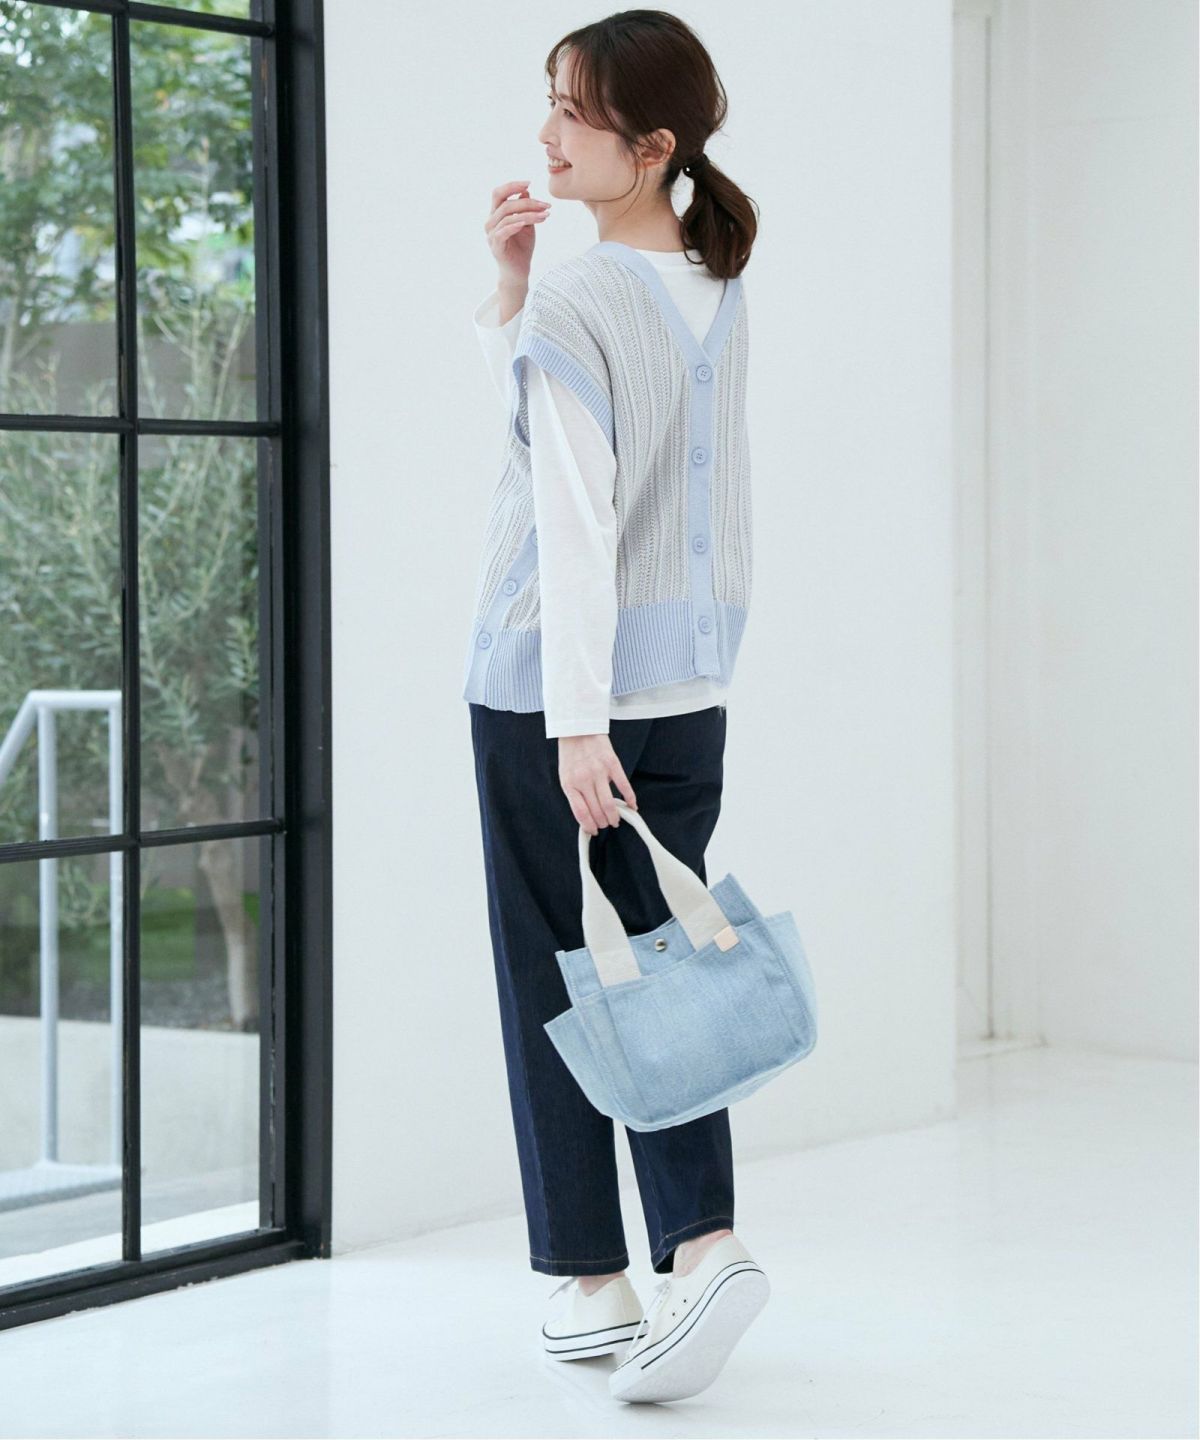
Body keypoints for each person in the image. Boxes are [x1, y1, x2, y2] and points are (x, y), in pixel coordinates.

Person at [463, 10, 767, 1405]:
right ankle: (700, 1245)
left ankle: (593, 1276)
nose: (547, 134)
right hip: (688, 682)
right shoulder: (714, 280)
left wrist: (574, 723)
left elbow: (572, 526)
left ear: (650, 147)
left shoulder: (587, 297)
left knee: (549, 972)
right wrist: (511, 291)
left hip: (551, 687)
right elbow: (576, 458)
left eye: (574, 113)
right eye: (549, 102)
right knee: (671, 966)